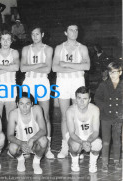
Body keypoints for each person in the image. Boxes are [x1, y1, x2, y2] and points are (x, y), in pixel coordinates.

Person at [52, 22, 90, 158]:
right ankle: (64, 146)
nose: (74, 32)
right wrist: (77, 66)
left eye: (76, 30)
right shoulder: (59, 48)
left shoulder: (82, 48)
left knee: (76, 115)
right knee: (64, 116)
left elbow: (87, 66)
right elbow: (55, 68)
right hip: (62, 82)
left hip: (77, 81)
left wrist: (66, 64)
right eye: (71, 30)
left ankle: (77, 146)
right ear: (65, 32)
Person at [20, 26, 54, 159]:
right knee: (26, 115)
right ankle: (27, 146)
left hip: (42, 83)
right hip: (28, 82)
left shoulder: (48, 49)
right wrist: (40, 65)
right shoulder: (26, 49)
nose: (35, 37)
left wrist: (32, 67)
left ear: (42, 34)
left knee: (45, 116)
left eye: (37, 34)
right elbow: (22, 68)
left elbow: (47, 70)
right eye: (33, 34)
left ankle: (48, 148)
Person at [7, 92, 48, 174]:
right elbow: (9, 135)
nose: (25, 107)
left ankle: (36, 162)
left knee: (44, 140)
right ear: (17, 104)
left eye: (27, 104)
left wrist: (32, 140)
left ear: (32, 104)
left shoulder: (37, 109)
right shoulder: (13, 114)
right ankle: (20, 160)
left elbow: (43, 130)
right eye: (21, 104)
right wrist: (21, 143)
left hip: (34, 143)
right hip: (21, 145)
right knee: (11, 147)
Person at [94, 62, 123, 172]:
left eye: (114, 72)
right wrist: (104, 107)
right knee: (106, 141)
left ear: (120, 73)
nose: (112, 74)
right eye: (110, 72)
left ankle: (117, 162)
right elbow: (97, 98)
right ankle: (105, 163)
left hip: (118, 117)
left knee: (116, 140)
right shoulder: (103, 85)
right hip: (106, 117)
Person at [66, 86, 102, 173]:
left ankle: (92, 163)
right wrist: (82, 142)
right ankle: (75, 162)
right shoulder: (70, 111)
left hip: (90, 136)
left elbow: (96, 131)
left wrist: (88, 141)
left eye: (85, 99)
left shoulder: (95, 109)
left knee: (98, 144)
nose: (81, 101)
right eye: (79, 98)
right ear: (76, 98)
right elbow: (71, 133)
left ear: (89, 100)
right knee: (75, 146)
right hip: (76, 136)